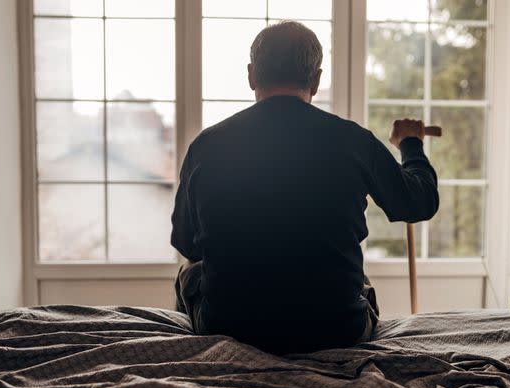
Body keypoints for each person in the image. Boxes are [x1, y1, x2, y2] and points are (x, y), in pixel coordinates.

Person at [171, 21, 439, 354]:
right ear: (316, 79)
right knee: (359, 284)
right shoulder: (354, 141)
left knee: (190, 272)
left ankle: (206, 357)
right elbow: (418, 203)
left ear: (252, 75)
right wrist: (411, 144)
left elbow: (185, 241)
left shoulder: (206, 146)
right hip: (337, 329)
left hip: (232, 328)